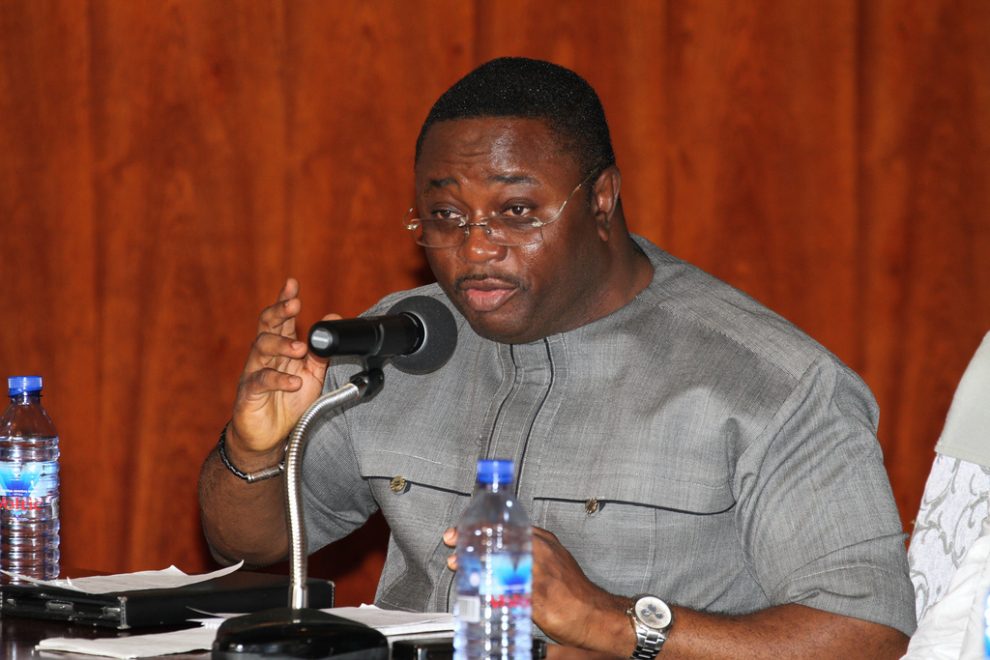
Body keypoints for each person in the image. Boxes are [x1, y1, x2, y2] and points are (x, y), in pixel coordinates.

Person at [199, 57, 916, 658]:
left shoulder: (773, 382)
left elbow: (867, 633)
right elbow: (248, 541)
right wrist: (254, 447)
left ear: (602, 199)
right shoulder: (406, 338)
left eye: (516, 212)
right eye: (446, 216)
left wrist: (608, 620)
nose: (476, 248)